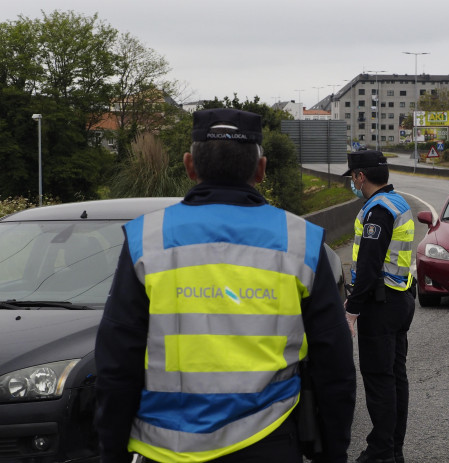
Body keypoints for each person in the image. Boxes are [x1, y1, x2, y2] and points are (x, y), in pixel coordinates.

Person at [94, 108, 356, 463]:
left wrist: (111, 451)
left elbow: (116, 362)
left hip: (166, 449)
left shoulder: (147, 238)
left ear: (190, 166)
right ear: (261, 170)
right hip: (270, 442)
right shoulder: (301, 242)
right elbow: (333, 363)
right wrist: (334, 452)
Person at [342, 151, 415, 463]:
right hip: (400, 299)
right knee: (395, 377)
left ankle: (381, 452)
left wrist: (352, 309)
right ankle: (393, 450)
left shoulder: (378, 211)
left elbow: (370, 266)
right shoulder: (398, 202)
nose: (353, 183)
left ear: (361, 176)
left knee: (379, 379)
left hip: (381, 304)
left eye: (353, 178)